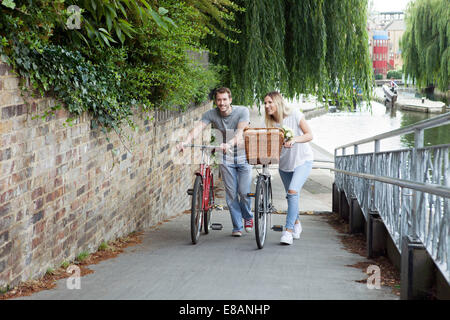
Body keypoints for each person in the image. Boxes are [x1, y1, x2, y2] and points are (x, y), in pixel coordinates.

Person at [177, 87, 253, 237]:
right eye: (219, 100)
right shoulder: (211, 114)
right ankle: (237, 226)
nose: (222, 103)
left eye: (225, 99)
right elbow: (197, 128)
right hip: (226, 157)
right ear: (215, 101)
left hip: (243, 155)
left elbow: (240, 132)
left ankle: (248, 217)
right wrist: (184, 142)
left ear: (230, 100)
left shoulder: (242, 111)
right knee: (231, 194)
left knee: (244, 192)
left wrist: (229, 144)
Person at [263, 91, 314, 245]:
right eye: (265, 103)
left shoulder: (295, 114)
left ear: (278, 102)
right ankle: (297, 223)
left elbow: (309, 135)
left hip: (302, 161)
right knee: (291, 196)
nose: (267, 106)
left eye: (270, 102)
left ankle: (288, 231)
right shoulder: (271, 122)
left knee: (292, 192)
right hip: (284, 165)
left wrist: (294, 140)